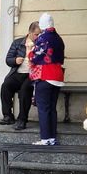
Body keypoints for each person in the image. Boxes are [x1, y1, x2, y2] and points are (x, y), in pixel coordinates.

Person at [29, 12, 65, 145]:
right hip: (58, 76)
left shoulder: (43, 38)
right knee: (52, 108)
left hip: (45, 75)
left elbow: (35, 56)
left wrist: (30, 53)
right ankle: (52, 137)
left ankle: (45, 138)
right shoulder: (59, 38)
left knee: (43, 108)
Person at [0, 21, 40, 127]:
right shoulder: (18, 43)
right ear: (30, 32)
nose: (38, 37)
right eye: (36, 34)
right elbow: (8, 59)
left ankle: (22, 119)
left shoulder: (41, 44)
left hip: (32, 75)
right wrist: (15, 60)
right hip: (18, 72)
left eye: (40, 34)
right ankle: (8, 116)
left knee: (25, 90)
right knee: (6, 86)